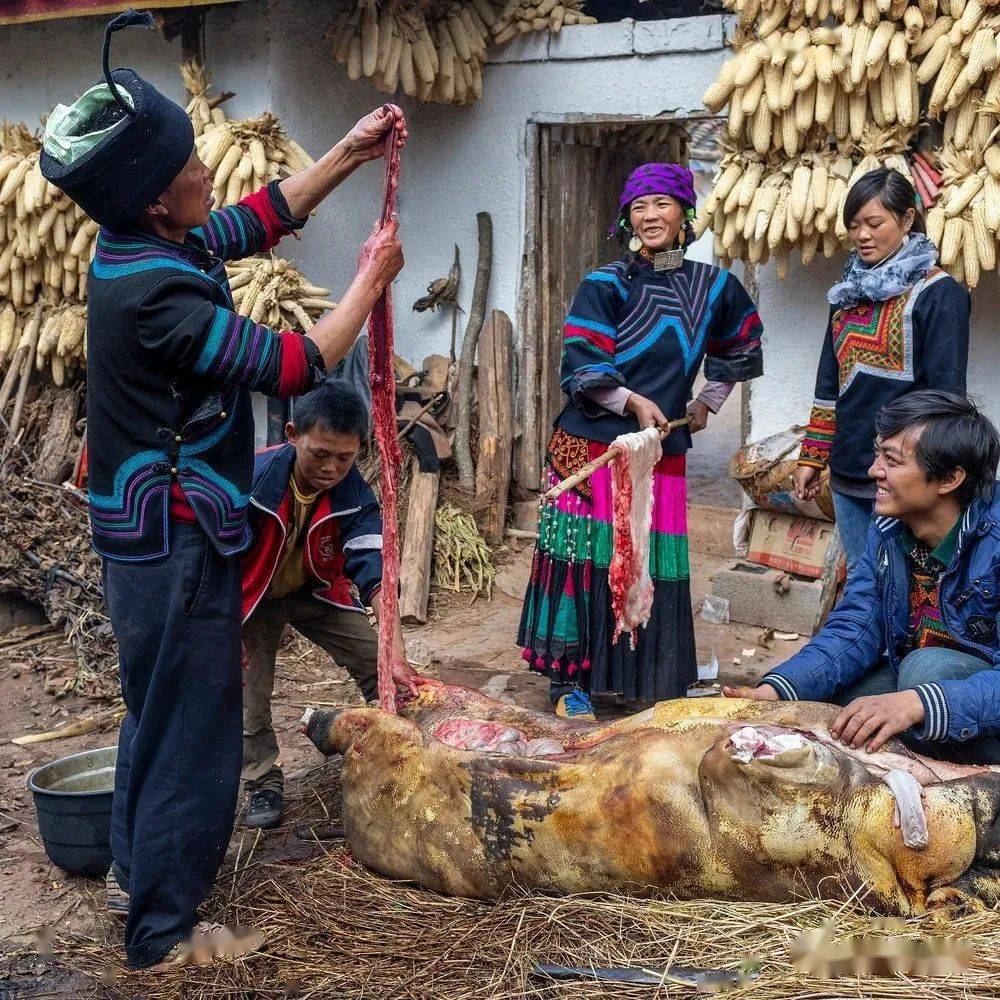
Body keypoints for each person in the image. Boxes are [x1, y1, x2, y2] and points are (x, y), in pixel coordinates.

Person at [39, 12, 406, 970]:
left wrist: (346, 155)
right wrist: (371, 280)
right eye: (191, 166)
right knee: (196, 734)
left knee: (156, 712)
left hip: (152, 531)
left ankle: (133, 876)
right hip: (174, 538)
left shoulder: (152, 242)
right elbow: (295, 364)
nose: (209, 173)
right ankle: (162, 933)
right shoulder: (154, 292)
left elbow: (254, 217)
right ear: (160, 203)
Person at [518, 162, 764, 719]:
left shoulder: (715, 287)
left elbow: (739, 349)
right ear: (625, 218)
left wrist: (707, 403)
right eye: (638, 207)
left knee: (651, 563)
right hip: (592, 447)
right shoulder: (605, 284)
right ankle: (571, 681)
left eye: (662, 204)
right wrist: (630, 402)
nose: (650, 216)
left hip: (661, 454)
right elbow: (582, 363)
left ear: (686, 214)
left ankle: (643, 677)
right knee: (592, 559)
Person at [725, 390, 1000, 766]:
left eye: (892, 460)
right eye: (877, 454)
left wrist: (918, 704)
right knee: (833, 706)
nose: (874, 471)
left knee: (926, 670)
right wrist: (779, 689)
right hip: (932, 688)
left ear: (949, 478)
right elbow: (857, 625)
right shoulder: (889, 526)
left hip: (976, 700)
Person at [240, 380, 420, 829]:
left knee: (375, 659)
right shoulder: (251, 480)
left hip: (316, 591)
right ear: (291, 434)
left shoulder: (356, 496)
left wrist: (393, 651)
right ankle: (262, 780)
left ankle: (396, 752)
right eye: (319, 454)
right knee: (249, 691)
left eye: (345, 457)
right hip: (252, 597)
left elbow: (376, 574)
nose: (332, 468)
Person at [793, 168, 970, 574]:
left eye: (875, 223)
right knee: (862, 578)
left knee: (907, 587)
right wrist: (814, 457)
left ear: (907, 219)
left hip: (907, 480)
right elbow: (828, 383)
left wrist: (926, 477)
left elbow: (946, 398)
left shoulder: (940, 294)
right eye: (854, 226)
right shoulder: (846, 294)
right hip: (848, 468)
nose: (862, 236)